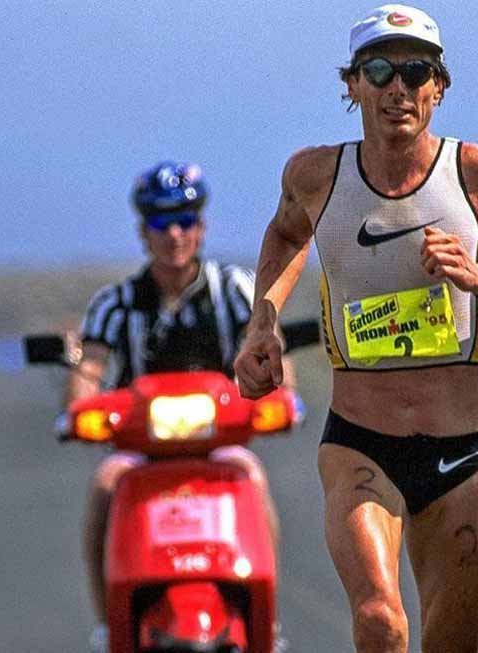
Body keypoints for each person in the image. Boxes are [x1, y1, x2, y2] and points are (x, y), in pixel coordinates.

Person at [233, 5, 478, 652]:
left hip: (465, 452)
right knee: (381, 620)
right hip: (362, 446)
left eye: (414, 71)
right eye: (379, 70)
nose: (398, 89)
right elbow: (283, 234)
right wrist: (262, 320)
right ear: (352, 84)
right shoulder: (315, 175)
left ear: (438, 86)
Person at [68, 161, 284, 653]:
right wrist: (81, 403)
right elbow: (91, 372)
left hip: (219, 448)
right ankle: (111, 625)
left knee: (253, 477)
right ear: (144, 232)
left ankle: (266, 621)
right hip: (140, 452)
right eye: (162, 222)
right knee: (104, 485)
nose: (176, 233)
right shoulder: (114, 304)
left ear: (203, 227)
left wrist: (277, 390)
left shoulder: (236, 291)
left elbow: (276, 362)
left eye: (186, 219)